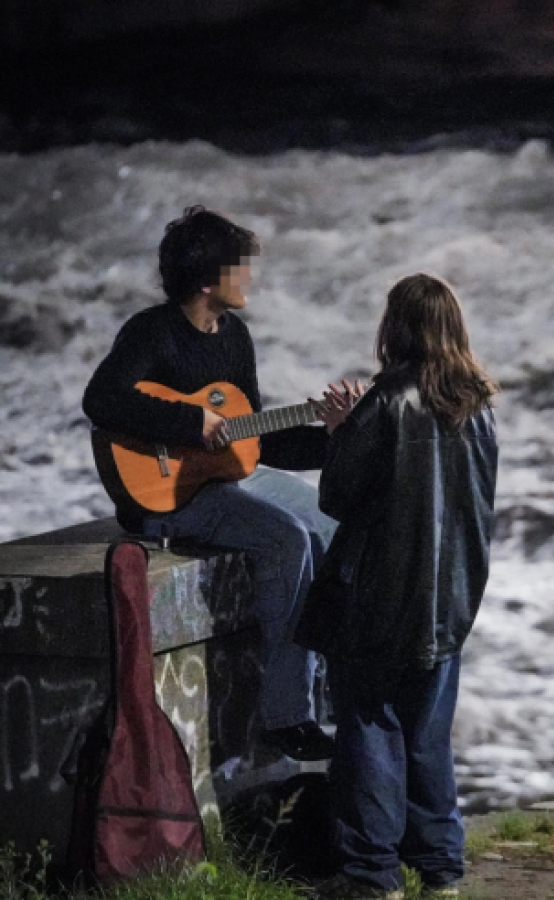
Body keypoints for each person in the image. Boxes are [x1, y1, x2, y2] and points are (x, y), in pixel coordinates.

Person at [82, 205, 356, 762]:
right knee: (286, 539)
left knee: (333, 521)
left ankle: (338, 697)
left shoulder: (235, 336)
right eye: (240, 268)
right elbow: (102, 399)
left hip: (233, 478)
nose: (249, 277)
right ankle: (288, 716)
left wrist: (339, 439)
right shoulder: (152, 331)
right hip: (169, 496)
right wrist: (189, 422)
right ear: (208, 281)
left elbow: (254, 442)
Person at [297, 273, 499, 900]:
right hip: (452, 599)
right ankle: (441, 869)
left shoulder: (385, 400)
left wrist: (338, 431)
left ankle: (374, 875)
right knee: (428, 737)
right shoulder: (478, 405)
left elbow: (336, 495)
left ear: (397, 328)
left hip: (380, 600)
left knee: (370, 733)